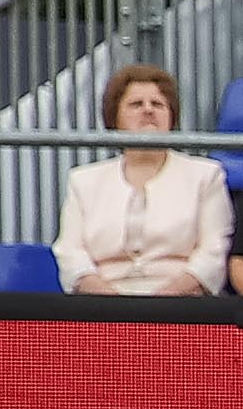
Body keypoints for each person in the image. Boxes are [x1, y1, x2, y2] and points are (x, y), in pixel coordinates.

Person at [53, 65, 231, 294]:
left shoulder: (206, 175)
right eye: (136, 104)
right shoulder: (83, 181)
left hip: (182, 307)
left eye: (157, 104)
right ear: (114, 117)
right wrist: (112, 304)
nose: (148, 110)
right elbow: (71, 253)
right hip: (101, 307)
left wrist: (159, 304)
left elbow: (213, 252)